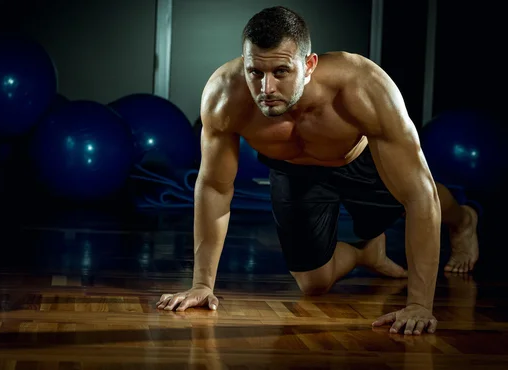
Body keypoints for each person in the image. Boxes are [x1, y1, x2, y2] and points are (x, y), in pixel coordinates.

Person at [156, 6, 479, 335]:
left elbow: (418, 194)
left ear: (308, 66)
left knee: (417, 192)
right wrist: (201, 285)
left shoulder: (360, 85)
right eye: (255, 72)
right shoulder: (225, 95)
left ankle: (463, 220)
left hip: (359, 161)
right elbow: (214, 187)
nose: (266, 88)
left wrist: (419, 305)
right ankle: (366, 253)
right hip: (293, 171)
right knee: (314, 283)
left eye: (281, 71)